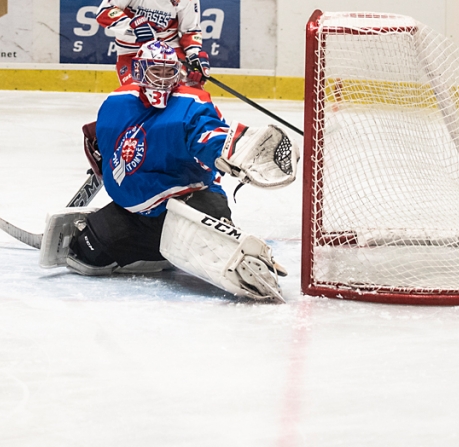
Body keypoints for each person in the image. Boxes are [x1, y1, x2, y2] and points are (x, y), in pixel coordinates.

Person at [37, 41, 297, 302]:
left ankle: (198, 247)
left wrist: (236, 151)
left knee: (232, 263)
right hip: (135, 215)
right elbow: (106, 139)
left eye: (168, 72)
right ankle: (158, 251)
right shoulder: (116, 101)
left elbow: (208, 134)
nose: (162, 80)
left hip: (187, 206)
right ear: (139, 71)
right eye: (155, 72)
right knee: (86, 255)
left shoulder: (190, 104)